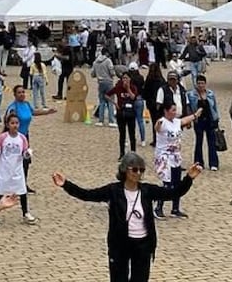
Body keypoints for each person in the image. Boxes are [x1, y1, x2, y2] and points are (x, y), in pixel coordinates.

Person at [53, 153, 202, 282]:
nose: (138, 173)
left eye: (141, 170)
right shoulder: (113, 191)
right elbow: (87, 195)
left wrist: (188, 178)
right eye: (134, 169)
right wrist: (65, 184)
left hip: (143, 245)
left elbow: (174, 193)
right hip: (120, 245)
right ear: (125, 170)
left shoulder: (148, 190)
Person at [152, 102, 201, 219]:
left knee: (177, 183)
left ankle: (175, 208)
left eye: (175, 110)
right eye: (172, 110)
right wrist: (158, 124)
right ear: (166, 110)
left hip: (175, 156)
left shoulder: (176, 122)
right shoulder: (162, 122)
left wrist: (196, 115)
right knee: (167, 183)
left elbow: (185, 120)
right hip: (164, 157)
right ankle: (158, 207)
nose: (175, 112)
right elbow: (157, 128)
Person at [0, 113, 37, 225]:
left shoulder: (22, 138)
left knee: (22, 192)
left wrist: (28, 154)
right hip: (4, 169)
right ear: (7, 124)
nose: (15, 125)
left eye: (16, 123)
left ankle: (25, 213)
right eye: (12, 123)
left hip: (17, 170)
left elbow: (24, 152)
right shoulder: (3, 137)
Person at [186, 74, 221, 171]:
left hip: (210, 119)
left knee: (212, 142)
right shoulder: (191, 94)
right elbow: (189, 108)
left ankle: (213, 163)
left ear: (205, 84)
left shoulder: (210, 93)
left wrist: (216, 118)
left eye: (202, 83)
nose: (201, 85)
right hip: (199, 120)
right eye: (199, 83)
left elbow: (214, 107)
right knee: (199, 141)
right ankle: (198, 162)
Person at [109, 71, 142, 157]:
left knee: (132, 134)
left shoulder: (133, 87)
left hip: (131, 113)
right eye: (123, 78)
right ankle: (122, 153)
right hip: (121, 113)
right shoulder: (118, 87)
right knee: (122, 135)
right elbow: (107, 94)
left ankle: (133, 153)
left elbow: (133, 97)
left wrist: (128, 88)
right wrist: (114, 103)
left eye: (126, 78)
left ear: (130, 79)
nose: (125, 80)